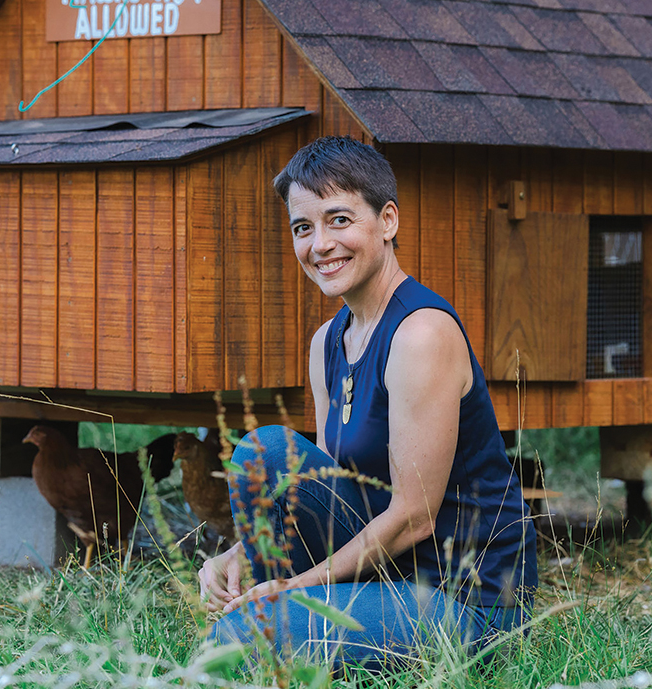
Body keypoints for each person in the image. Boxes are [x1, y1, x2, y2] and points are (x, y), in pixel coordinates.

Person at [198, 136, 537, 670]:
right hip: (386, 573)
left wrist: (296, 588)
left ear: (387, 221)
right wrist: (241, 551)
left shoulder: (421, 334)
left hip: (465, 598)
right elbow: (337, 484)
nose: (319, 244)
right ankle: (271, 620)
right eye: (302, 228)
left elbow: (415, 516)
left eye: (339, 219)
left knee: (240, 640)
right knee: (261, 453)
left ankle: (272, 622)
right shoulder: (327, 342)